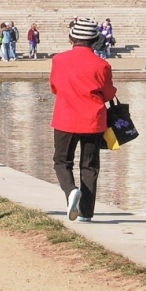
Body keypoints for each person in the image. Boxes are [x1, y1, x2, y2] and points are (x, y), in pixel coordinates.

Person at [50, 18, 117, 223]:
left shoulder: (59, 60)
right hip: (93, 120)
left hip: (65, 118)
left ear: (72, 38)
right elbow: (107, 93)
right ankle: (86, 212)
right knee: (89, 166)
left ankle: (71, 191)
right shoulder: (102, 64)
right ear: (95, 40)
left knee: (62, 161)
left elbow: (54, 87)